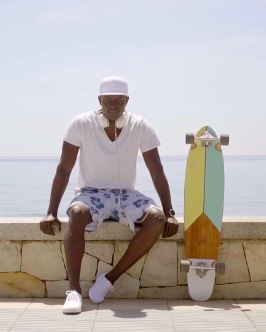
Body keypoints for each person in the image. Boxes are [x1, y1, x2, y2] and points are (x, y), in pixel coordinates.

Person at [39, 76, 178, 314]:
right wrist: (51, 212)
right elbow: (64, 168)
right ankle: (73, 291)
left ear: (127, 101)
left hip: (126, 193)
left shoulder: (140, 125)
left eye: (119, 100)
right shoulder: (81, 123)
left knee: (156, 219)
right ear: (99, 100)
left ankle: (108, 279)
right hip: (92, 193)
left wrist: (170, 211)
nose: (113, 104)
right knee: (77, 212)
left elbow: (156, 170)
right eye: (108, 100)